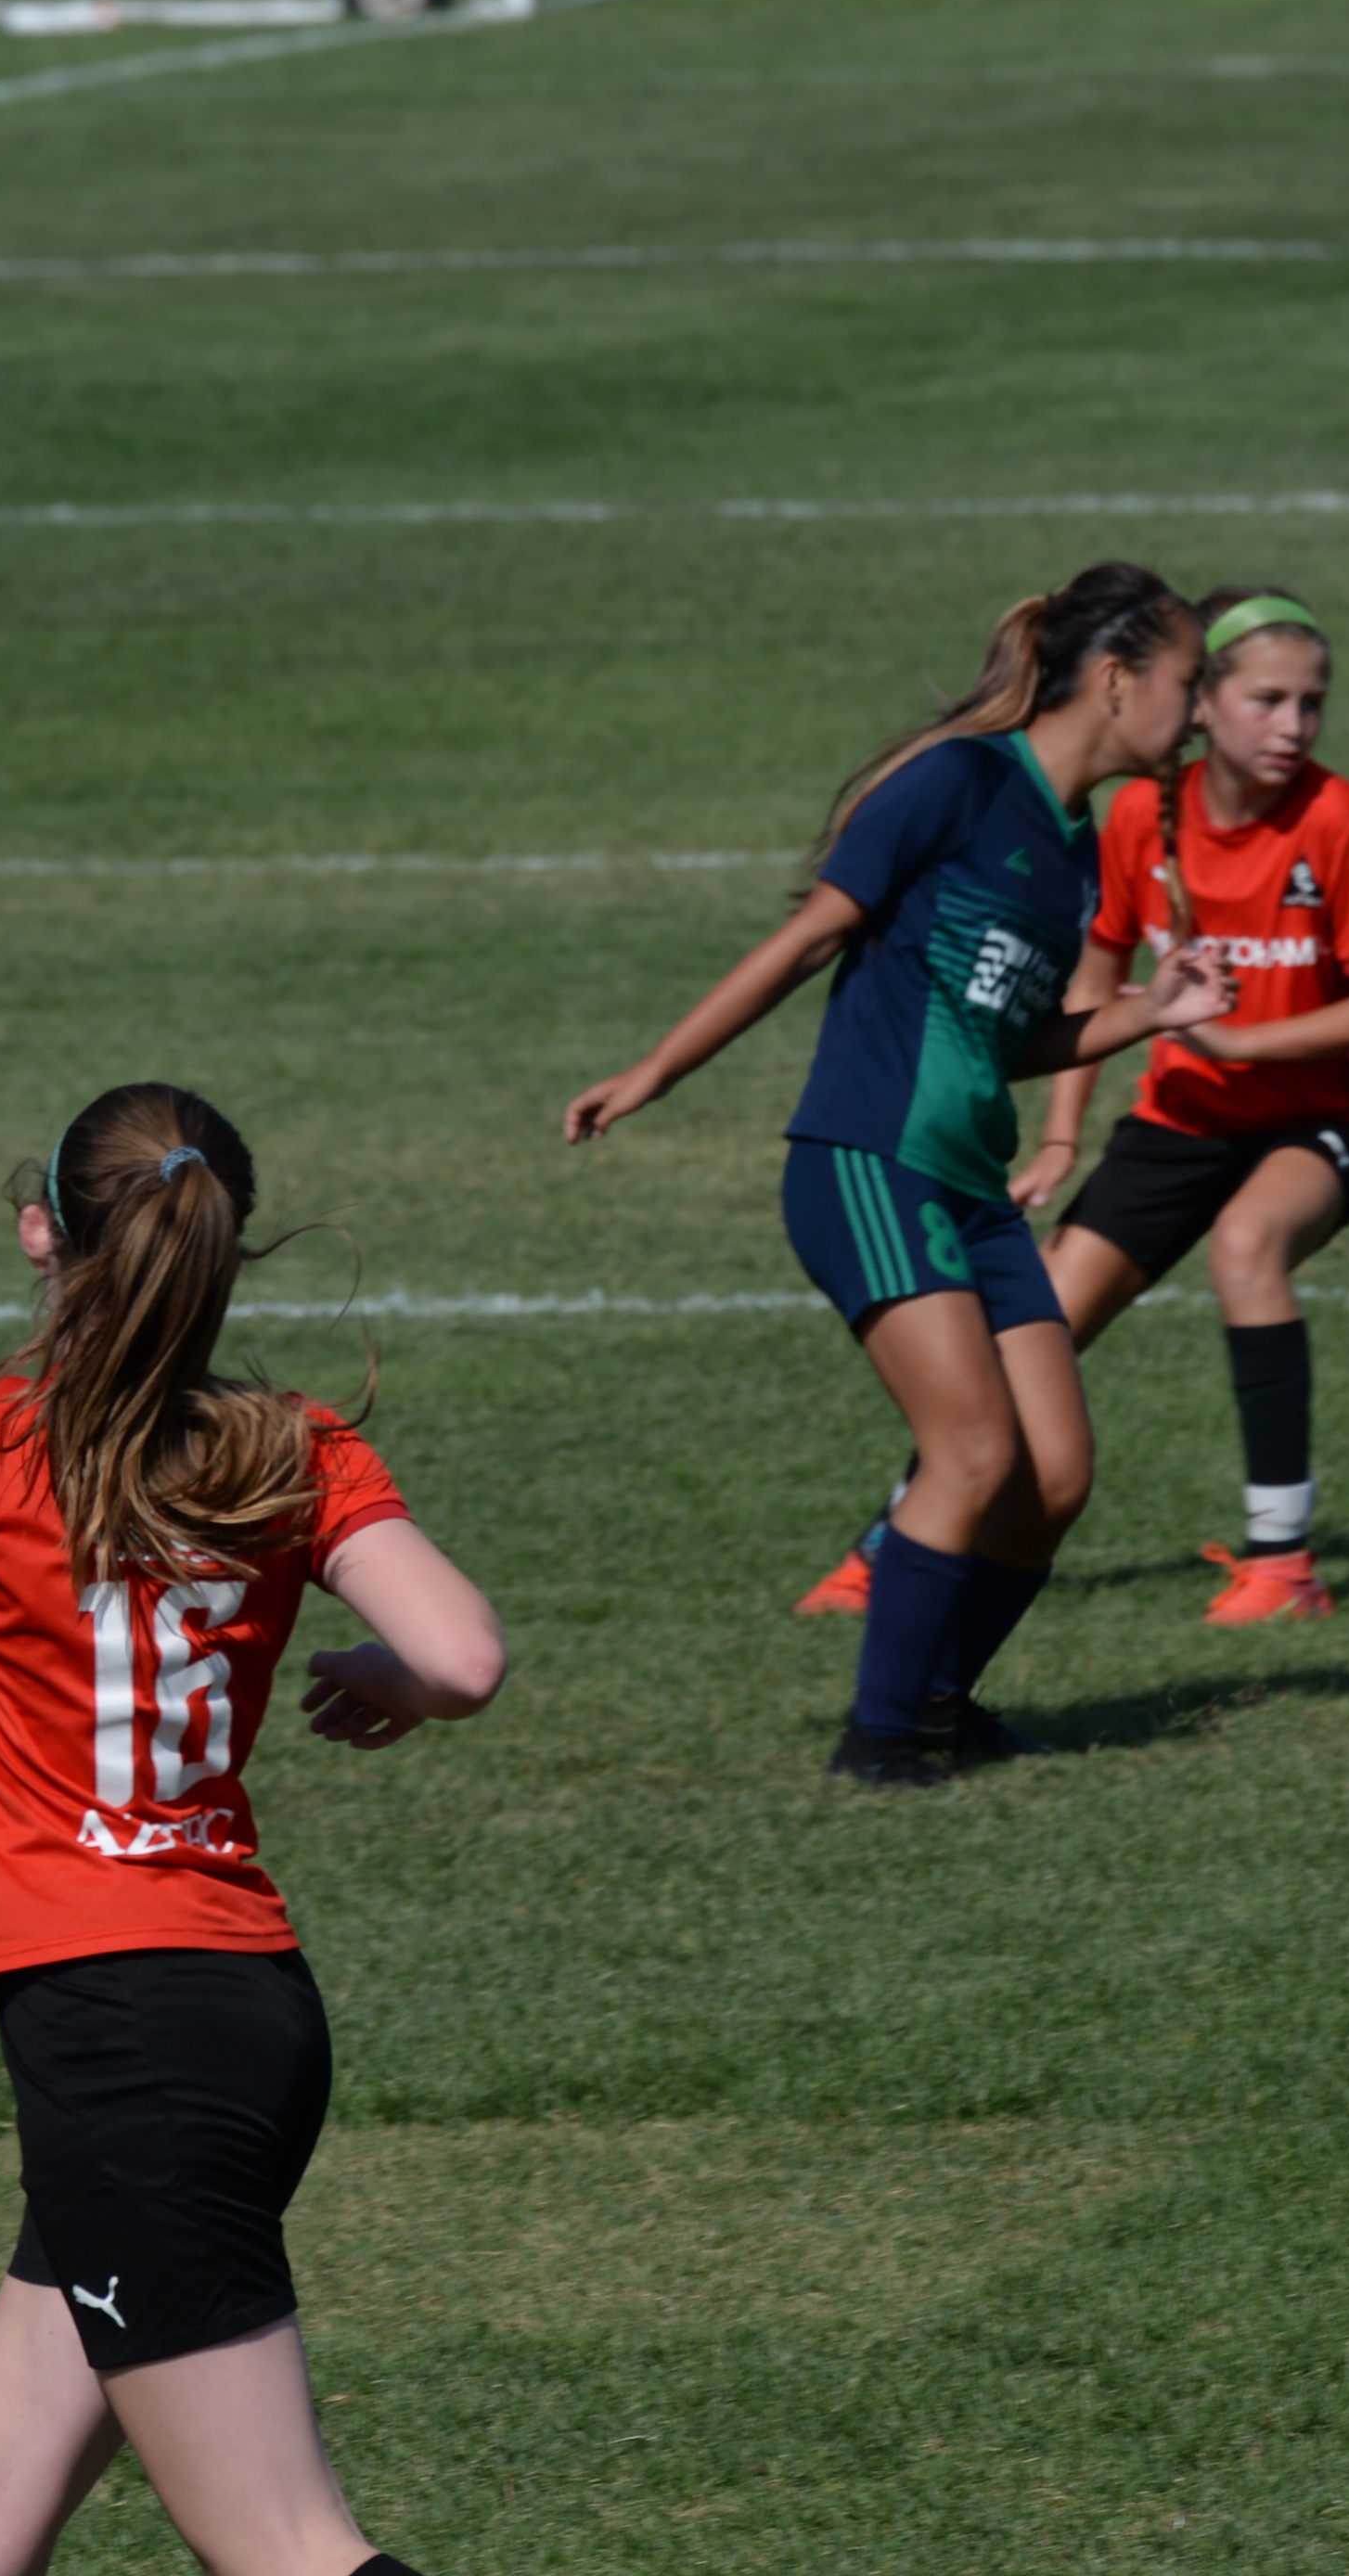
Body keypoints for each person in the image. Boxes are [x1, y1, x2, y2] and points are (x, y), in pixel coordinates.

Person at [0, 1085, 506, 2576]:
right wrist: (387, 1680)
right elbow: (462, 1657)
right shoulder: (291, 1445)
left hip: (115, 2035)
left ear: (42, 1233)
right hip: (243, 2011)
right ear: (219, 1250)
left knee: (288, 2544)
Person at [562, 563, 1233, 1787]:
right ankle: (879, 1747)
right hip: (871, 1164)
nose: (1199, 712)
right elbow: (810, 936)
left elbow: (1004, 1037)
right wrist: (657, 1069)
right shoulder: (957, 782)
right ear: (1115, 678)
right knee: (971, 1452)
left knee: (1054, 1477)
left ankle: (935, 1701)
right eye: (1189, 683)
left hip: (969, 1187)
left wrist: (1150, 1011)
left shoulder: (1074, 844)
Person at [804, 587, 1349, 1628]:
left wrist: (1243, 1042)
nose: (1294, 725)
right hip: (1182, 1118)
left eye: (1311, 703)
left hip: (1323, 1121)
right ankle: (890, 1544)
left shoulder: (1336, 819)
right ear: (1200, 701)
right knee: (1040, 1316)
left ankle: (1284, 1563)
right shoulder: (1140, 815)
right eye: (1266, 700)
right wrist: (1059, 1136)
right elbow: (1090, 986)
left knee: (1248, 1246)